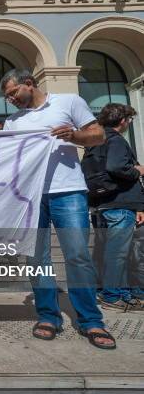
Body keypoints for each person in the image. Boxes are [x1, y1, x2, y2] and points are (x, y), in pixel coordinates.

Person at [1, 69, 115, 350]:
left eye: (13, 93)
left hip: (69, 192)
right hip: (29, 196)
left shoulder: (69, 102)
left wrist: (74, 136)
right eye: (7, 97)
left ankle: (91, 320)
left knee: (77, 256)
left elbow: (98, 135)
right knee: (37, 258)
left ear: (29, 84)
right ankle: (48, 316)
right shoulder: (12, 121)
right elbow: (4, 158)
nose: (11, 100)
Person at [84, 104, 144, 311]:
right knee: (118, 254)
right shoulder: (116, 139)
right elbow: (116, 166)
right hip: (120, 203)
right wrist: (137, 170)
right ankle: (112, 296)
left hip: (101, 205)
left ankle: (110, 292)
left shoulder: (96, 141)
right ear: (123, 121)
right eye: (129, 120)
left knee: (105, 252)